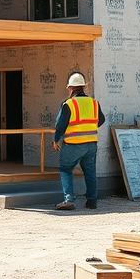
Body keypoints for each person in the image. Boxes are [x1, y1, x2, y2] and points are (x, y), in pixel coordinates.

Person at [52, 72, 105, 210]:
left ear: (71, 88)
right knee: (90, 172)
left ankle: (69, 199)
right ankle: (92, 201)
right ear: (83, 87)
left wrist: (56, 140)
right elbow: (102, 120)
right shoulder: (94, 103)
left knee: (65, 169)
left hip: (73, 145)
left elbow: (60, 125)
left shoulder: (68, 104)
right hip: (91, 144)